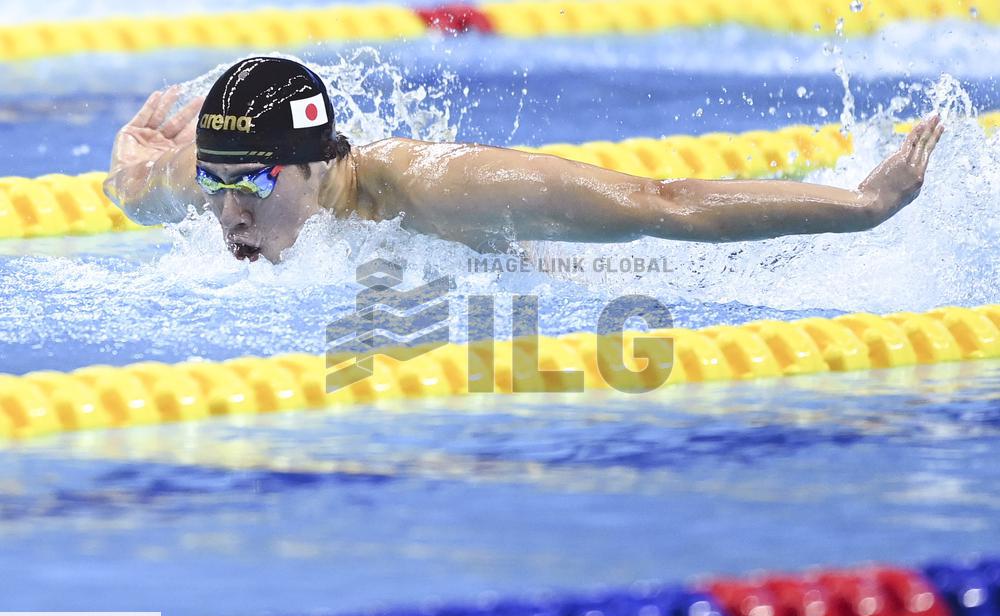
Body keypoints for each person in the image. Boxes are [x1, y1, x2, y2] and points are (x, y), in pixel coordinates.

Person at [104, 56, 944, 264]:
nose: (227, 216)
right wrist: (128, 171)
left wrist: (863, 206)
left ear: (322, 161)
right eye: (213, 186)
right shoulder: (222, 176)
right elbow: (142, 190)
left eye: (248, 185)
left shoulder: (446, 190)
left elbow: (666, 201)